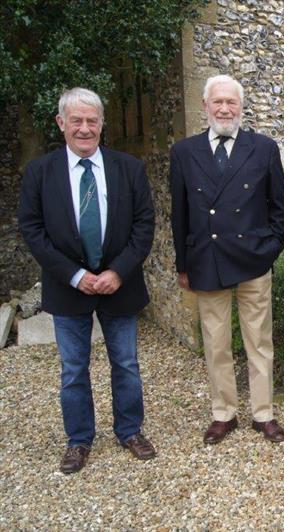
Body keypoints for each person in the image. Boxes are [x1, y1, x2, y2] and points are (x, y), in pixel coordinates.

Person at [18, 87, 156, 474]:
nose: (84, 128)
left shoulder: (129, 168)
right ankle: (79, 440)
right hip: (67, 287)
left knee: (126, 364)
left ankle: (130, 430)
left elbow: (145, 226)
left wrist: (118, 271)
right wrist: (76, 275)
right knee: (73, 369)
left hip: (120, 284)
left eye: (91, 120)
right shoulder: (39, 173)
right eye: (75, 121)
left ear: (101, 124)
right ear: (61, 123)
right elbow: (33, 230)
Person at [170, 75, 284, 445]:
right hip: (207, 260)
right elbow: (181, 212)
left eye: (231, 103)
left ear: (241, 107)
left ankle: (263, 413)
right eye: (218, 102)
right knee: (216, 343)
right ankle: (224, 413)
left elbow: (278, 209)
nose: (225, 109)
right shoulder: (184, 151)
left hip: (253, 261)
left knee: (259, 341)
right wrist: (183, 264)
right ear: (205, 106)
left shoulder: (263, 148)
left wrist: (269, 251)